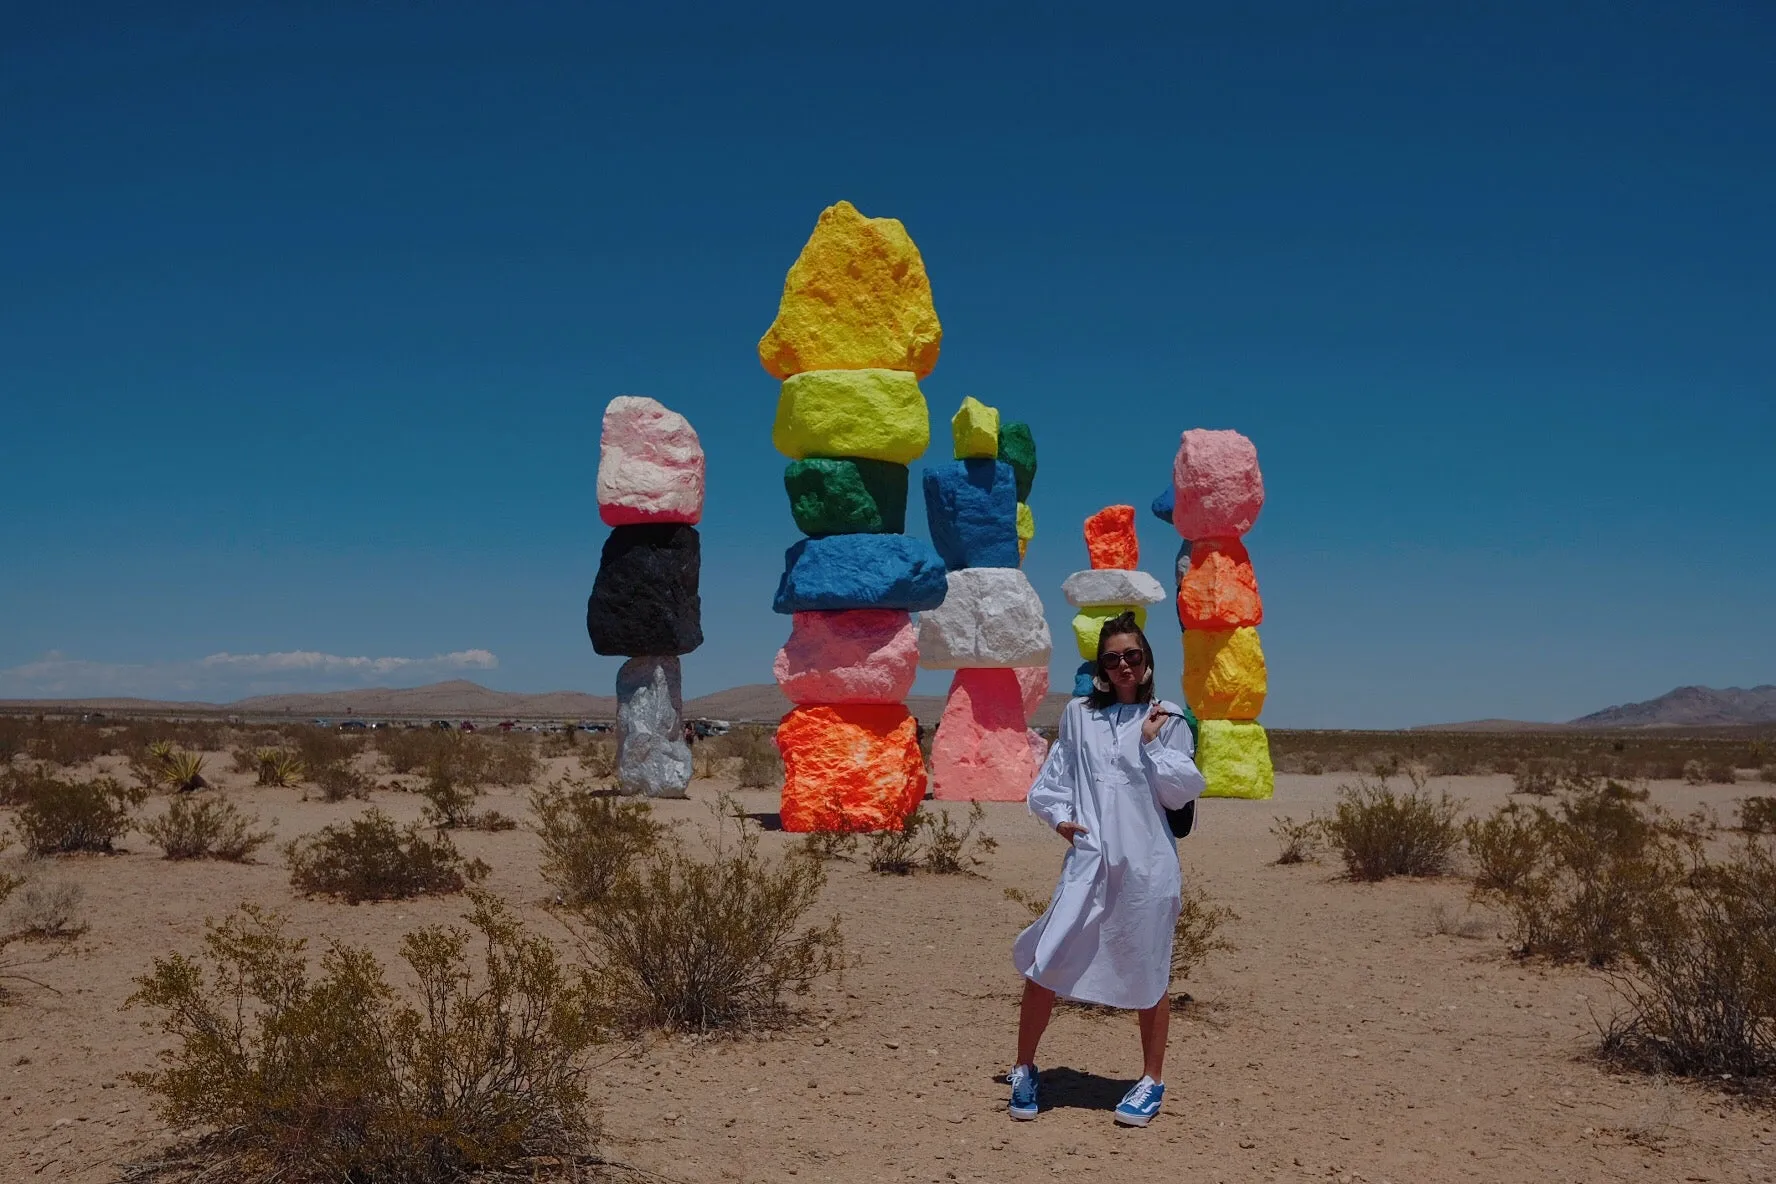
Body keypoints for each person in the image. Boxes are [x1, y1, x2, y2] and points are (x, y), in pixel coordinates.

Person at [1006, 611, 1206, 1127]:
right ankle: (1024, 1067)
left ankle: (1151, 1080)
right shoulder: (1078, 714)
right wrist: (1059, 821)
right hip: (1090, 863)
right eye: (1112, 658)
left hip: (1147, 868)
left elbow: (1181, 792)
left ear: (1147, 662)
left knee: (1149, 968)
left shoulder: (1170, 719)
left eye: (1131, 656)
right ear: (1101, 666)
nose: (1122, 666)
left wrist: (1154, 741)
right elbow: (1052, 782)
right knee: (1045, 960)